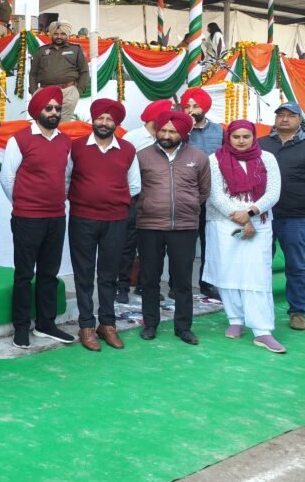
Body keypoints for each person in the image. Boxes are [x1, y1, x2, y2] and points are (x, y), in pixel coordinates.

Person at [0, 87, 75, 348]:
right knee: (23, 274)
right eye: (48, 108)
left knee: (49, 273)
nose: (54, 112)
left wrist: (56, 201)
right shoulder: (19, 140)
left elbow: (65, 178)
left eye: (57, 108)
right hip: (27, 218)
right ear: (37, 111)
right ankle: (21, 328)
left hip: (56, 217)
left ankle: (46, 324)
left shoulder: (65, 141)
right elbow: (7, 178)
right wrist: (23, 203)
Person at [203, 120, 284, 353]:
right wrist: (239, 217)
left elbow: (273, 192)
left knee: (256, 275)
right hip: (223, 222)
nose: (240, 140)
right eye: (236, 136)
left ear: (253, 137)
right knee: (228, 272)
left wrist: (250, 214)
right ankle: (235, 319)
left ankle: (262, 331)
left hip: (259, 222)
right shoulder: (214, 160)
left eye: (245, 136)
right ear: (228, 137)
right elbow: (215, 195)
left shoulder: (267, 158)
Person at [67, 99, 141, 351]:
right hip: (82, 218)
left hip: (116, 220)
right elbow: (66, 180)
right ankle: (86, 325)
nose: (104, 123)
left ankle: (107, 324)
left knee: (109, 274)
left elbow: (134, 186)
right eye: (100, 118)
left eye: (109, 119)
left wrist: (112, 201)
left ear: (116, 124)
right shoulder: (75, 148)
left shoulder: (128, 150)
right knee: (84, 273)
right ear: (93, 120)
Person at [136, 110, 210, 345]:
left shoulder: (198, 157)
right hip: (149, 225)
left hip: (185, 226)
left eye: (172, 131)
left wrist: (186, 206)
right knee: (149, 278)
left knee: (182, 280)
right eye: (163, 130)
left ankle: (183, 327)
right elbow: (134, 188)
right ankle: (150, 324)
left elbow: (204, 191)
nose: (166, 134)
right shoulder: (142, 156)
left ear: (183, 133)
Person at [116, 99, 173, 304]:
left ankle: (146, 286)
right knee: (127, 244)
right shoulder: (133, 138)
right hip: (133, 198)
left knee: (153, 246)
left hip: (157, 198)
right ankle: (122, 286)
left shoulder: (168, 139)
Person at [259, 102, 305, 330]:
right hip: (263, 216)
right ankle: (259, 310)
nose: (284, 119)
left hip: (296, 216)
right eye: (281, 115)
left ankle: (298, 312)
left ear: (299, 120)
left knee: (297, 266)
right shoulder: (261, 145)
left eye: (290, 115)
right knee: (259, 264)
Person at [181, 87, 223, 300]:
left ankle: (207, 283)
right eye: (187, 106)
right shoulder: (179, 131)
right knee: (186, 242)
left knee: (211, 241)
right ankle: (179, 284)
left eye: (195, 106)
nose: (191, 110)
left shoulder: (219, 131)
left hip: (215, 195)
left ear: (204, 107)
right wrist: (185, 131)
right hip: (188, 195)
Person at [28, 21, 88, 122]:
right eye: (56, 34)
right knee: (44, 123)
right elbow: (33, 73)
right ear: (51, 34)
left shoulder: (76, 50)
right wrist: (34, 92)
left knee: (63, 125)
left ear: (67, 35)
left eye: (63, 34)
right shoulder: (41, 51)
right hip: (44, 92)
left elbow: (84, 72)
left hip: (68, 93)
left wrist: (78, 91)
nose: (59, 36)